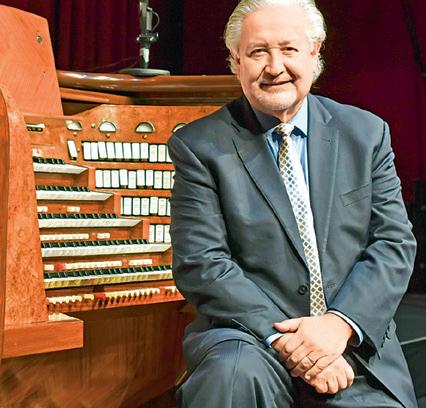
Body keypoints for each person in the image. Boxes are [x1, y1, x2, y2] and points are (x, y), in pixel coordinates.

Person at [168, 0, 417, 406]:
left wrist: (336, 327)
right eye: (257, 52)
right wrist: (294, 345)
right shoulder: (199, 147)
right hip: (250, 337)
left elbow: (393, 244)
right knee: (231, 376)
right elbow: (203, 262)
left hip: (351, 342)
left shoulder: (366, 134)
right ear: (235, 61)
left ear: (314, 52)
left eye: (288, 49)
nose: (274, 66)